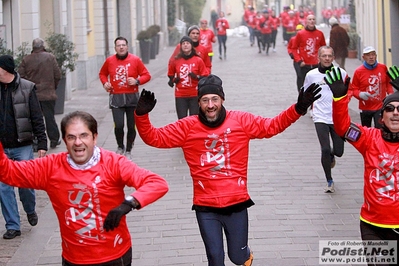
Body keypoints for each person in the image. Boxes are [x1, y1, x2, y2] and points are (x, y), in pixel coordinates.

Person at [133, 74, 321, 266]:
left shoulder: (241, 121)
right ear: (199, 102)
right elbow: (154, 138)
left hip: (236, 204)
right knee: (215, 259)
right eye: (205, 100)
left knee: (238, 258)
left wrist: (298, 109)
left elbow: (272, 126)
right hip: (206, 206)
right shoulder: (187, 127)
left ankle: (245, 254)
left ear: (222, 99)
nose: (211, 105)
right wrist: (141, 116)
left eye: (215, 99)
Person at [0, 110, 168, 265]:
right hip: (74, 259)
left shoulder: (113, 163)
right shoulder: (50, 167)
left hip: (115, 255)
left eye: (84, 136)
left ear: (94, 137)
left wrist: (129, 203)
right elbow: (8, 172)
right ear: (65, 140)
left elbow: (157, 183)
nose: (78, 143)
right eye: (71, 137)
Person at [325, 65, 399, 265]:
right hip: (373, 225)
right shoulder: (369, 138)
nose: (395, 113)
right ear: (381, 117)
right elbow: (343, 128)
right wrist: (340, 99)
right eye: (390, 109)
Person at [0, 54, 47, 239]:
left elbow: (37, 116)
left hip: (22, 145)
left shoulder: (27, 88)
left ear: (5, 70)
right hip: (2, 148)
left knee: (26, 184)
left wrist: (42, 142)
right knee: (4, 188)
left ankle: (29, 209)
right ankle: (13, 225)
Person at [99, 36, 151, 160]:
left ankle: (128, 149)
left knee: (131, 125)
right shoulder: (109, 61)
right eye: (118, 45)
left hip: (132, 97)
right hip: (116, 97)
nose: (121, 47)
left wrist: (137, 80)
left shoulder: (135, 60)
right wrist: (105, 83)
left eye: (123, 45)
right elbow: (102, 74)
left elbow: (147, 75)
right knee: (119, 125)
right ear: (115, 48)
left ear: (127, 46)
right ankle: (120, 146)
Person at [304, 46, 347, 193]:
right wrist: (304, 107)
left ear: (333, 57)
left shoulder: (341, 73)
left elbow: (349, 91)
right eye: (324, 56)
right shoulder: (311, 75)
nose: (327, 58)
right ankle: (329, 180)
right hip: (320, 117)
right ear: (319, 57)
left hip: (337, 118)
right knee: (325, 149)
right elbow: (305, 93)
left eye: (329, 56)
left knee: (339, 151)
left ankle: (332, 157)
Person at [18, 37, 62, 149]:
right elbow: (58, 75)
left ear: (33, 47)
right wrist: (53, 87)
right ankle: (53, 139)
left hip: (32, 94)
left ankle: (36, 141)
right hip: (48, 94)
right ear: (43, 46)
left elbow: (21, 76)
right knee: (50, 118)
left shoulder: (26, 59)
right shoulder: (50, 57)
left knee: (34, 119)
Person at [350, 46, 393, 128]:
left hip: (380, 106)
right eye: (368, 55)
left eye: (373, 54)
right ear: (363, 57)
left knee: (380, 130)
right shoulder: (358, 71)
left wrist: (390, 94)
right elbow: (353, 89)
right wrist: (360, 94)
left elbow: (388, 83)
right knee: (366, 132)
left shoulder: (383, 67)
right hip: (365, 107)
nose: (371, 57)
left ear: (376, 56)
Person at [168, 36, 209, 119]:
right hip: (180, 95)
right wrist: (174, 80)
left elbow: (205, 76)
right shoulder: (176, 60)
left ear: (191, 46)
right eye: (183, 44)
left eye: (187, 43)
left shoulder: (198, 60)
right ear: (181, 46)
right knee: (182, 120)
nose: (185, 45)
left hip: (194, 94)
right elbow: (170, 75)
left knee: (194, 119)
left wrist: (197, 77)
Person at [292, 14, 327, 88]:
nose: (312, 21)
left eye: (313, 19)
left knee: (317, 84)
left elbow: (324, 48)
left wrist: (323, 60)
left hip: (316, 64)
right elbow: (294, 48)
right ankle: (302, 98)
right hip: (304, 64)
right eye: (310, 19)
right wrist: (299, 60)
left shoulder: (320, 34)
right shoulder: (300, 34)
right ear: (306, 21)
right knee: (303, 84)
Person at [287, 24, 304, 92]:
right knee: (299, 75)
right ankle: (300, 90)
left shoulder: (305, 38)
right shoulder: (293, 39)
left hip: (306, 61)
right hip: (297, 60)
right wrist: (291, 53)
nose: (298, 31)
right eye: (297, 30)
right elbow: (289, 47)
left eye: (300, 30)